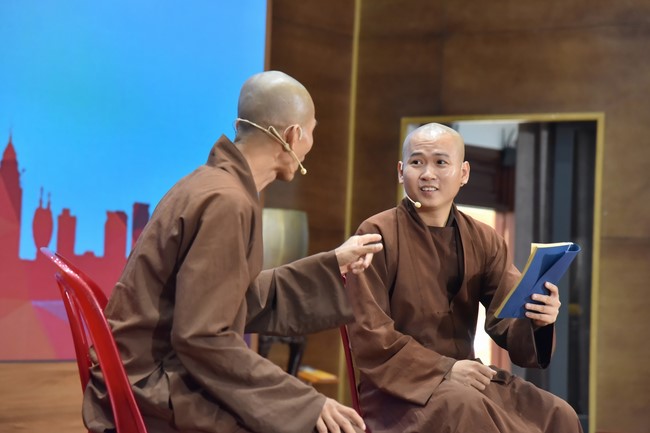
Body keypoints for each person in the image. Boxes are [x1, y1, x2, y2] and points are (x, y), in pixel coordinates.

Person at [82, 70, 382, 433]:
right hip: (150, 387)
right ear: (292, 136)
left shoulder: (211, 183)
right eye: (312, 131)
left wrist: (332, 265)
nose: (310, 143)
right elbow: (202, 337)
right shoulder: (227, 201)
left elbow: (230, 298)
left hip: (144, 372)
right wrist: (306, 402)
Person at [345, 123, 583, 432]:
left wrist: (538, 318)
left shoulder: (483, 239)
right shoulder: (377, 233)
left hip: (466, 377)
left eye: (440, 162)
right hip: (399, 387)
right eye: (417, 162)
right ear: (401, 172)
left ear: (464, 173)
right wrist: (444, 369)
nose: (428, 174)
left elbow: (507, 316)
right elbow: (370, 333)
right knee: (466, 408)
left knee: (558, 413)